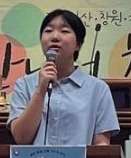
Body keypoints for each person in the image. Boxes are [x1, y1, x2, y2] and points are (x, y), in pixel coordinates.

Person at [8, 9, 119, 146]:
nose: (55, 37)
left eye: (64, 31)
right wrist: (40, 90)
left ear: (78, 44)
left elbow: (102, 144)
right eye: (48, 31)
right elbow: (21, 138)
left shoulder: (98, 89)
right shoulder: (24, 85)